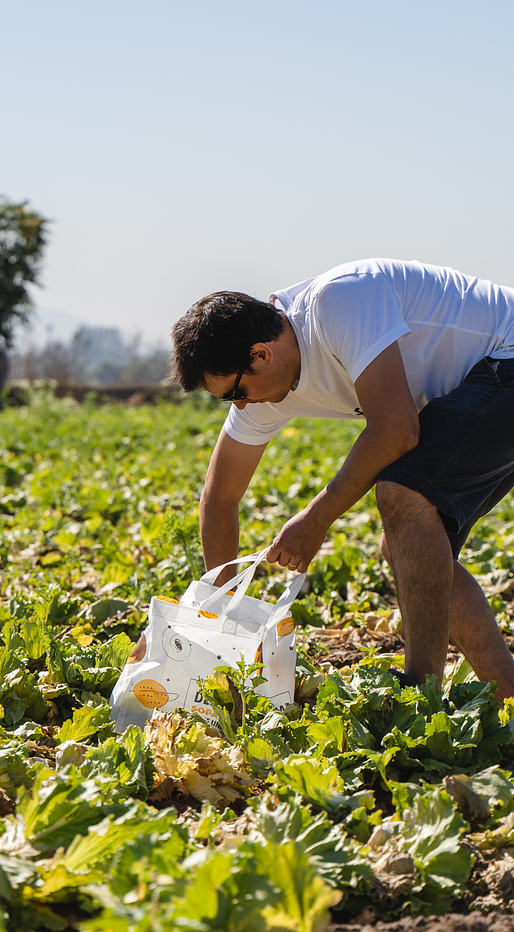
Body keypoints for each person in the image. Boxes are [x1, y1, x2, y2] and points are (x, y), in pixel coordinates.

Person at [171, 258, 514, 701]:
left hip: (506, 355)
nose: (238, 407)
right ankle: (507, 691)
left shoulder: (338, 302)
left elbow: (397, 430)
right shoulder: (261, 391)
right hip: (483, 380)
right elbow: (220, 498)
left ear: (261, 355)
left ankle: (420, 696)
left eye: (235, 393)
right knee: (408, 543)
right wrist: (220, 614)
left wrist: (316, 518)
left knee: (404, 496)